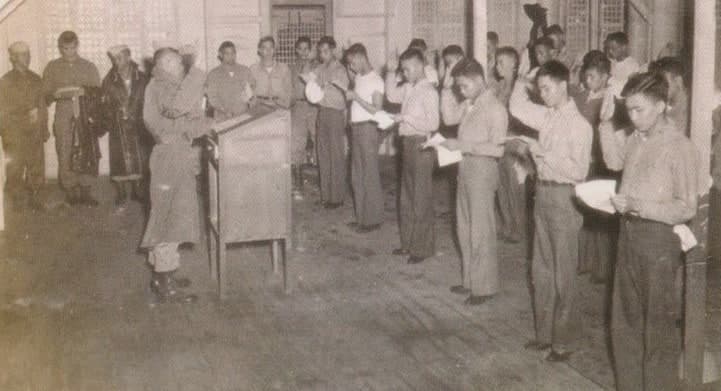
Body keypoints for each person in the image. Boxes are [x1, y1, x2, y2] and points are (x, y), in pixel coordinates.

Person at [599, 72, 699, 391]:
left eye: (639, 109)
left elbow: (686, 207)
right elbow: (613, 162)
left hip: (657, 241)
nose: (632, 116)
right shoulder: (634, 137)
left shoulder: (678, 146)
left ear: (660, 106)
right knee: (624, 324)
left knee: (658, 328)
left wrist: (639, 206)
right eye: (628, 109)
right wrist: (604, 124)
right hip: (628, 235)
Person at [510, 60, 592, 362]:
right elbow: (517, 107)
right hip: (542, 193)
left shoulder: (579, 125)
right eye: (540, 88)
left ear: (562, 87)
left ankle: (563, 342)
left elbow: (578, 170)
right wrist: (523, 78)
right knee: (540, 270)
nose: (541, 94)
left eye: (546, 88)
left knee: (563, 273)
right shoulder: (547, 115)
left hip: (564, 197)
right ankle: (544, 335)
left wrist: (545, 154)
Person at [141, 47, 210, 303]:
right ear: (161, 65)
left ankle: (164, 273)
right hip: (169, 158)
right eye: (174, 61)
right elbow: (175, 109)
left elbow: (185, 123)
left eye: (180, 61)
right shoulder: (159, 86)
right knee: (169, 218)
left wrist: (211, 124)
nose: (180, 64)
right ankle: (164, 281)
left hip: (177, 154)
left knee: (176, 215)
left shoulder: (170, 84)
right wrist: (197, 70)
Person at [440, 58, 508, 305]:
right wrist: (447, 87)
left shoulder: (495, 109)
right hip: (465, 166)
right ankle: (470, 279)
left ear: (480, 81)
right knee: (464, 226)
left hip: (482, 169)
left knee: (481, 229)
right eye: (459, 87)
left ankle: (485, 286)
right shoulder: (470, 104)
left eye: (464, 86)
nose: (461, 91)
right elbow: (448, 119)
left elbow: (498, 149)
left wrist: (463, 145)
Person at [386, 48, 440, 264]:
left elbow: (433, 123)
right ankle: (408, 244)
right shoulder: (409, 87)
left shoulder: (429, 91)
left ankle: (422, 248)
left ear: (419, 67)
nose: (404, 73)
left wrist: (406, 118)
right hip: (407, 145)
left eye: (406, 69)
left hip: (421, 145)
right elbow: (391, 95)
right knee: (406, 197)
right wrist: (390, 72)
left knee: (420, 198)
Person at [42, 31, 101, 205]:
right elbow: (45, 94)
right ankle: (70, 191)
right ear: (60, 48)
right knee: (64, 148)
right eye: (66, 48)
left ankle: (86, 190)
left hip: (84, 111)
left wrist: (86, 92)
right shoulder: (52, 67)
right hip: (63, 111)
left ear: (78, 45)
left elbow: (98, 93)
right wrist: (55, 94)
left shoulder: (89, 66)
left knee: (86, 149)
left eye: (73, 47)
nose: (70, 52)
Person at [573, 51, 617, 282]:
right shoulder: (580, 98)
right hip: (582, 163)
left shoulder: (608, 102)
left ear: (605, 77)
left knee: (600, 217)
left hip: (599, 164)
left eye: (592, 77)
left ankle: (601, 268)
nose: (587, 81)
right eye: (586, 76)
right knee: (584, 214)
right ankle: (584, 261)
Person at [0, 41, 48, 211]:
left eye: (28, 54)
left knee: (36, 164)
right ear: (12, 58)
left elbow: (42, 106)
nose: (26, 58)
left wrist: (44, 129)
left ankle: (35, 195)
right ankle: (17, 199)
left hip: (34, 130)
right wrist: (6, 133)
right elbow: (2, 109)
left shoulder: (36, 79)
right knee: (15, 166)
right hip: (14, 131)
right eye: (22, 55)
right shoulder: (5, 81)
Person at [101, 45, 150, 207]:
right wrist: (112, 117)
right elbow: (105, 104)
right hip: (118, 126)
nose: (116, 61)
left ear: (128, 57)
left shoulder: (142, 78)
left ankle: (137, 190)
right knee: (118, 159)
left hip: (138, 124)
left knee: (139, 158)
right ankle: (121, 192)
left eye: (120, 57)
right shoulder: (109, 80)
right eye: (114, 58)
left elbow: (149, 101)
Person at [343, 43, 384, 233]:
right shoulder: (359, 76)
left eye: (352, 62)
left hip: (368, 129)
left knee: (369, 175)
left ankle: (372, 220)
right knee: (357, 175)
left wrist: (356, 98)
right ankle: (362, 218)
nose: (351, 67)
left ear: (361, 58)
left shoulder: (376, 80)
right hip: (356, 129)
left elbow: (377, 109)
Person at [493, 46, 532, 243]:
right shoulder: (498, 86)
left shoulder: (522, 86)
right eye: (496, 62)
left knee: (516, 186)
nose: (496, 66)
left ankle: (518, 229)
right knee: (501, 185)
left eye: (501, 62)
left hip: (516, 142)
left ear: (513, 65)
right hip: (499, 142)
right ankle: (507, 225)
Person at [314, 36, 350, 209]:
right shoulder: (319, 68)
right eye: (320, 52)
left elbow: (342, 91)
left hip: (335, 113)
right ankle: (325, 194)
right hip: (322, 112)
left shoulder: (341, 69)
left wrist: (324, 86)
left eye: (326, 51)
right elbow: (314, 89)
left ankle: (336, 197)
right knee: (323, 154)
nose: (323, 55)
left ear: (334, 50)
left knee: (336, 154)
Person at [290, 36, 319, 199]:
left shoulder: (317, 67)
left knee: (318, 141)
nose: (303, 52)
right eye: (300, 49)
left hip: (314, 107)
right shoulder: (292, 68)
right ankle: (298, 186)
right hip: (299, 107)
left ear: (310, 50)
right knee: (296, 145)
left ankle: (322, 183)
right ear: (296, 50)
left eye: (306, 49)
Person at [206, 41, 253, 122]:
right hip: (222, 118)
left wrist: (250, 100)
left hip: (242, 117)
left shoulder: (245, 70)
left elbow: (252, 90)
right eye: (227, 54)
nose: (231, 56)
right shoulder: (213, 74)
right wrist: (224, 110)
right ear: (221, 55)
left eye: (233, 53)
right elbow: (212, 98)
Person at [250, 36, 292, 111]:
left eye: (271, 47)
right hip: (259, 109)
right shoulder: (253, 69)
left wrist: (284, 105)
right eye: (265, 48)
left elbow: (289, 91)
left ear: (275, 50)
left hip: (280, 108)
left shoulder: (284, 68)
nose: (268, 51)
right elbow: (249, 92)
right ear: (259, 50)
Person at [648, 56, 689, 135]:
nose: (659, 87)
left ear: (678, 81)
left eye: (664, 82)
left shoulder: (691, 109)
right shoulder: (662, 106)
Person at [605, 32, 640, 96]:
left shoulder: (632, 65)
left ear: (623, 47)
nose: (610, 51)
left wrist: (610, 79)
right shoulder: (611, 63)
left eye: (613, 48)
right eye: (608, 48)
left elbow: (630, 88)